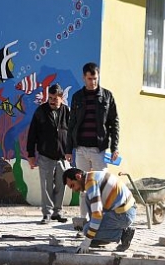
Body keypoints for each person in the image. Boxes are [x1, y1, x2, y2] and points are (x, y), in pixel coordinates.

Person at [65, 62, 120, 218]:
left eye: (95, 78)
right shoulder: (77, 97)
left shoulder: (107, 96)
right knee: (83, 188)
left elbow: (114, 123)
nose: (93, 82)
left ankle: (101, 222)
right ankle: (84, 221)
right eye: (89, 79)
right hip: (80, 149)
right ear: (84, 78)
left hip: (99, 150)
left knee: (101, 187)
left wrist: (115, 147)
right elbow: (71, 124)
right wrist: (68, 150)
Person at [63, 167, 136, 253]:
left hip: (124, 215)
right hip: (125, 209)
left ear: (78, 176)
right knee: (87, 198)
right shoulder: (91, 176)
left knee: (86, 230)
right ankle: (98, 235)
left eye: (73, 185)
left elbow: (97, 215)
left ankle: (123, 234)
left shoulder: (91, 183)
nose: (74, 190)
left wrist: (87, 241)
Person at [26, 83, 70, 224]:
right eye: (50, 98)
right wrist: (31, 154)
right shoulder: (41, 111)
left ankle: (57, 212)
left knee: (61, 185)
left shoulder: (67, 111)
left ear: (61, 98)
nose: (52, 101)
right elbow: (32, 133)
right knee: (46, 186)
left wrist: (70, 151)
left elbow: (72, 133)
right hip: (45, 155)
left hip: (62, 156)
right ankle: (47, 214)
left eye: (55, 98)